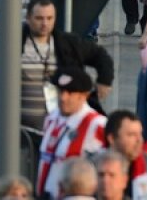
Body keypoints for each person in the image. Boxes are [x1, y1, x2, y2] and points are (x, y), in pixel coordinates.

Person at [0, 0, 115, 130]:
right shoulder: (8, 45)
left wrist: (104, 81)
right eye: (39, 18)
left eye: (49, 18)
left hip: (60, 129)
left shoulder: (67, 44)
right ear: (28, 18)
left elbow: (99, 55)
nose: (44, 24)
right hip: (19, 131)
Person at [37, 68, 108, 199]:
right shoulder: (51, 119)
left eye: (70, 93)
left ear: (84, 95)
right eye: (60, 91)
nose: (63, 98)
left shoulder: (97, 124)